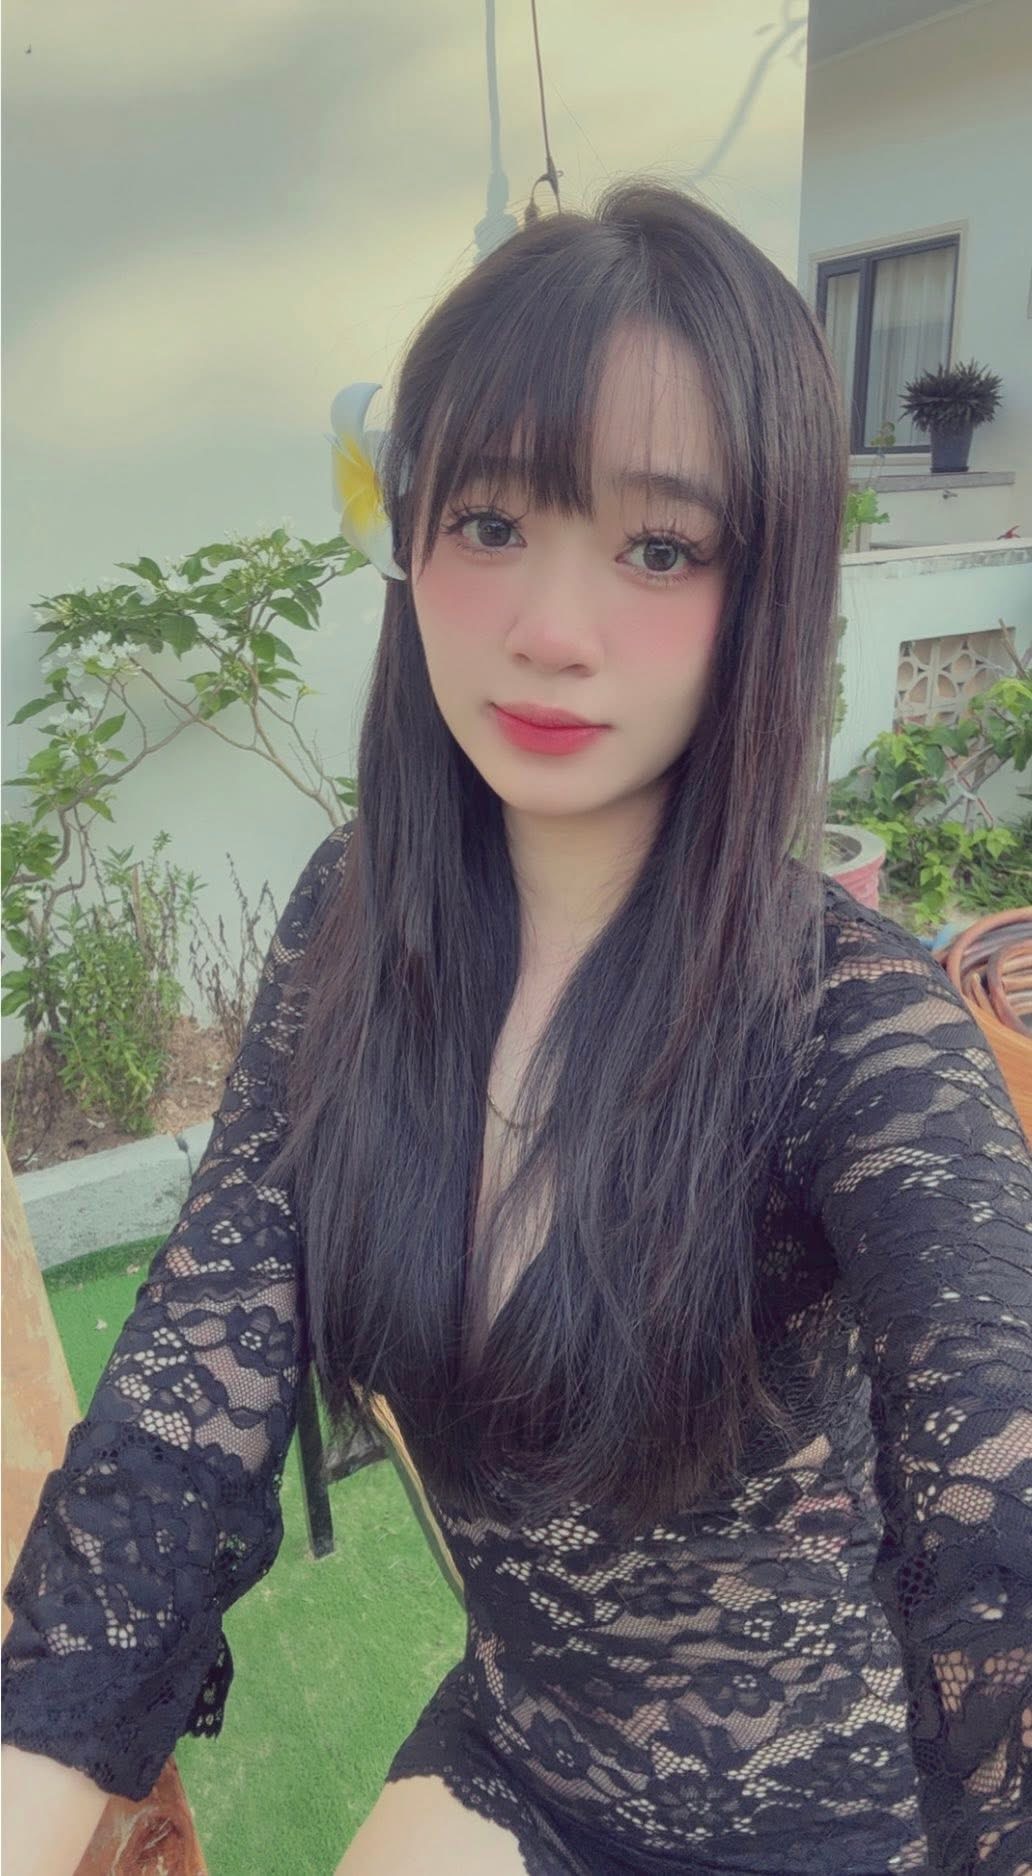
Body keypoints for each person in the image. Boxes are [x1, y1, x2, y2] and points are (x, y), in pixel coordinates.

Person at [3, 177, 1031, 1876]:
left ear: (766, 586)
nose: (551, 633)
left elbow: (998, 1517)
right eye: (488, 521)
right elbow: (185, 1401)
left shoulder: (863, 1034)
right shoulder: (356, 922)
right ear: (409, 540)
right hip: (527, 1753)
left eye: (659, 547)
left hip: (823, 1816)